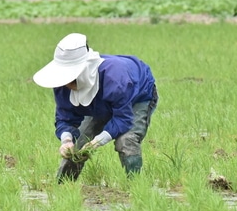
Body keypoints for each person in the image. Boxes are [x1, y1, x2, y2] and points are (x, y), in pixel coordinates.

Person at [33, 33, 158, 183]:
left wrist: (98, 141)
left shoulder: (115, 77)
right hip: (100, 102)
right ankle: (62, 186)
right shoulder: (61, 85)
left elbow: (122, 119)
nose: (68, 85)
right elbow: (65, 117)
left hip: (137, 96)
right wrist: (66, 141)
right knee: (78, 145)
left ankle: (137, 186)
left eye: (71, 79)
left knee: (126, 140)